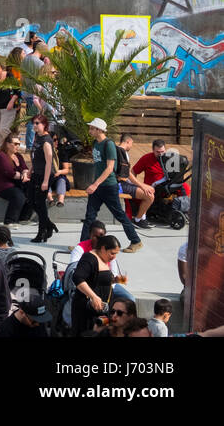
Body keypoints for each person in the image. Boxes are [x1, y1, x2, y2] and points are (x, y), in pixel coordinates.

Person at [80, 119, 142, 251]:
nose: (89, 131)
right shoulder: (95, 143)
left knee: (119, 215)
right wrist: (96, 184)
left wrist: (95, 184)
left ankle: (136, 241)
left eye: (92, 128)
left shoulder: (109, 145)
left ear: (99, 130)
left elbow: (109, 168)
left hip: (109, 186)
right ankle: (83, 246)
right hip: (98, 186)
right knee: (90, 216)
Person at [72, 234, 120, 335]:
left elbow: (99, 280)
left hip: (101, 309)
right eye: (112, 253)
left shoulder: (103, 259)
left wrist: (115, 280)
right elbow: (77, 278)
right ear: (103, 248)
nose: (114, 257)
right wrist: (93, 297)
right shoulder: (89, 258)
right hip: (87, 310)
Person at [28, 115, 59, 242]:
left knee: (40, 203)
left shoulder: (46, 141)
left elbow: (49, 162)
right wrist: (30, 170)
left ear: (44, 125)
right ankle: (49, 224)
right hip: (36, 172)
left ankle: (42, 233)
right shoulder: (37, 137)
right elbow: (35, 156)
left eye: (37, 123)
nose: (35, 125)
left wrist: (46, 181)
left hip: (45, 175)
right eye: (33, 123)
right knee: (31, 200)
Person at [114, 133, 155, 227]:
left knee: (150, 189)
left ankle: (142, 218)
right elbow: (127, 174)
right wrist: (141, 185)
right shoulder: (121, 152)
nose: (131, 146)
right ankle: (137, 220)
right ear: (128, 141)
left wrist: (141, 186)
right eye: (132, 144)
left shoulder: (119, 151)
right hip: (119, 184)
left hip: (123, 182)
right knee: (149, 196)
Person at [0, 133, 30, 225]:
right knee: (18, 196)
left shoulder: (18, 156)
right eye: (15, 144)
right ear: (8, 144)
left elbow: (25, 168)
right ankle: (9, 221)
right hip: (3, 185)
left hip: (17, 183)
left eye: (19, 144)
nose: (17, 146)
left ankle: (24, 218)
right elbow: (10, 173)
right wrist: (23, 176)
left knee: (33, 190)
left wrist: (25, 174)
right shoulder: (1, 156)